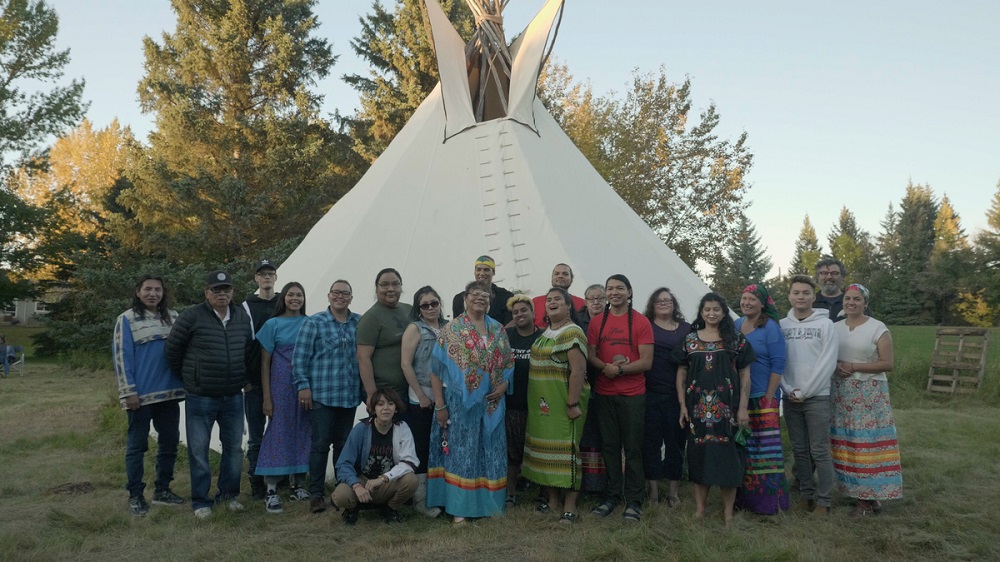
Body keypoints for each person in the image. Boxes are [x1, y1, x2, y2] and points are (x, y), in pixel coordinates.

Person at [165, 270, 252, 519]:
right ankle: (201, 501)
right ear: (206, 293)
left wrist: (245, 378)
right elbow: (172, 350)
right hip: (201, 396)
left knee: (234, 449)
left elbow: (247, 351)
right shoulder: (192, 316)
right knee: (198, 449)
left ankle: (228, 495)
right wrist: (190, 377)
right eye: (216, 289)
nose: (222, 294)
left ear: (232, 292)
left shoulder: (241, 317)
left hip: (233, 396)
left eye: (226, 289)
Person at [428, 280, 514, 524]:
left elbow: (508, 365)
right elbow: (436, 370)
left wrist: (504, 386)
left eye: (485, 294)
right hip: (460, 405)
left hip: (493, 404)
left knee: (491, 453)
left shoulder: (498, 330)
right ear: (465, 299)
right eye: (475, 293)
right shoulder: (451, 330)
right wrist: (440, 405)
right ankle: (459, 510)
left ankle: (490, 506)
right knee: (463, 454)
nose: (480, 297)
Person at [675, 293, 754, 525]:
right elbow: (681, 373)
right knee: (699, 457)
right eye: (707, 309)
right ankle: (700, 510)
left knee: (729, 460)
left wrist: (743, 408)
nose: (711, 313)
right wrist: (682, 406)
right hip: (697, 411)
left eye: (716, 309)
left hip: (727, 412)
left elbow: (745, 374)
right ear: (701, 312)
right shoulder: (689, 340)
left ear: (723, 312)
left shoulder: (735, 339)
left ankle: (728, 513)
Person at [113, 274, 185, 516]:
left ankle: (163, 490)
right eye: (148, 289)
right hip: (140, 398)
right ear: (138, 292)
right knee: (137, 447)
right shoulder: (126, 319)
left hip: (170, 394)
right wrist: (128, 392)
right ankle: (135, 495)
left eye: (157, 290)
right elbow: (122, 357)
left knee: (169, 444)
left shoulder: (173, 318)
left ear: (163, 293)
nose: (153, 293)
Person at [831, 284, 903, 517]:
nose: (851, 302)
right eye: (848, 298)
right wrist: (836, 367)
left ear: (865, 303)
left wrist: (853, 366)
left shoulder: (877, 328)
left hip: (869, 393)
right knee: (848, 442)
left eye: (857, 299)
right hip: (842, 392)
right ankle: (865, 495)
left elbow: (887, 363)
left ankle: (867, 498)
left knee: (868, 445)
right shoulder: (834, 328)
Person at [587, 274, 654, 522]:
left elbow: (647, 361)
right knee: (610, 447)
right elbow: (590, 354)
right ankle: (612, 495)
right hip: (604, 393)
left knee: (633, 448)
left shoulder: (640, 322)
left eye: (619, 288)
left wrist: (621, 370)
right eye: (610, 288)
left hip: (632, 395)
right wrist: (604, 367)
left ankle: (635, 500)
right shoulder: (596, 323)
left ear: (629, 291)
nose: (614, 292)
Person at [292, 279, 363, 513]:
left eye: (345, 293)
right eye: (336, 292)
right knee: (320, 444)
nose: (340, 296)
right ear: (329, 295)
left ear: (351, 298)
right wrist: (303, 386)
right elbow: (300, 358)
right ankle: (316, 493)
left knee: (343, 445)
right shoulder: (314, 323)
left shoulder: (359, 322)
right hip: (322, 395)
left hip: (349, 395)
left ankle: (340, 492)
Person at [522, 288, 589, 523]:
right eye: (548, 300)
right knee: (546, 453)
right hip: (542, 408)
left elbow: (579, 370)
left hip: (563, 405)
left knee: (567, 453)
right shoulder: (548, 332)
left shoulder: (573, 332)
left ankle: (570, 506)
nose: (551, 302)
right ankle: (552, 501)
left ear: (568, 305)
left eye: (557, 299)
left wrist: (572, 403)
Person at [780, 274, 839, 516]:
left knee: (819, 451)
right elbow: (778, 362)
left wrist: (806, 391)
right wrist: (787, 389)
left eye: (806, 293)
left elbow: (827, 362)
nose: (801, 297)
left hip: (817, 397)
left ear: (814, 297)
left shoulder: (826, 325)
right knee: (799, 450)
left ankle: (824, 501)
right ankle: (806, 495)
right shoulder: (782, 326)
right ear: (790, 296)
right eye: (796, 293)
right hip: (790, 396)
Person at [733, 283, 790, 515]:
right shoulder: (736, 325)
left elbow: (778, 365)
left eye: (752, 299)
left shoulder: (770, 328)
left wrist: (769, 397)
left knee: (765, 453)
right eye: (744, 298)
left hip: (763, 398)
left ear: (762, 303)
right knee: (743, 450)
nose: (747, 303)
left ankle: (768, 504)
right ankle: (743, 500)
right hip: (740, 399)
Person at [255, 282, 310, 514]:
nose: (295, 298)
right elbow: (264, 363)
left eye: (299, 295)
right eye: (291, 294)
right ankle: (271, 488)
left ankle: (297, 483)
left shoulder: (310, 323)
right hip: (279, 386)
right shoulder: (272, 324)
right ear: (283, 298)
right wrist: (267, 396)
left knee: (303, 430)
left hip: (305, 386)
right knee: (278, 431)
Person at [331, 388, 419, 525]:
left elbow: (409, 462)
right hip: (362, 480)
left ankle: (390, 509)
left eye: (390, 404)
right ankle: (352, 509)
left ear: (396, 408)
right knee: (340, 495)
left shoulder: (402, 428)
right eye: (380, 404)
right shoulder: (361, 429)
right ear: (373, 409)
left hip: (386, 483)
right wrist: (356, 486)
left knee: (411, 480)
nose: (385, 408)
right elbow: (343, 463)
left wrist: (383, 478)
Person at [400, 286, 448, 517]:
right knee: (422, 446)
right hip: (421, 394)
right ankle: (421, 499)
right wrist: (420, 395)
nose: (430, 308)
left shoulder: (449, 327)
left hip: (446, 394)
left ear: (440, 304)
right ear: (418, 309)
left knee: (443, 446)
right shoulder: (414, 329)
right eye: (425, 305)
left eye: (434, 303)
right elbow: (406, 364)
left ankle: (442, 494)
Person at [641, 287, 691, 507]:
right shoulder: (645, 327)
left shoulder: (687, 329)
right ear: (652, 305)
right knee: (650, 443)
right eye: (659, 301)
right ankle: (652, 492)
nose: (663, 303)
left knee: (676, 443)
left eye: (667, 300)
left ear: (674, 304)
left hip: (677, 396)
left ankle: (673, 492)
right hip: (649, 393)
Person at [241, 259, 281, 500]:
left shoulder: (283, 303)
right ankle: (256, 482)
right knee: (256, 436)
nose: (266, 277)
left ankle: (279, 479)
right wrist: (245, 378)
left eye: (270, 273)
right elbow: (241, 344)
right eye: (262, 274)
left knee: (278, 432)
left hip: (280, 380)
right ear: (256, 278)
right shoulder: (246, 306)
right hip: (255, 380)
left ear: (276, 277)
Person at [503, 294, 542, 506]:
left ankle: (542, 492)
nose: (519, 314)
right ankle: (510, 492)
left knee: (538, 450)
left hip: (538, 406)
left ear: (533, 313)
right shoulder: (506, 335)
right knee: (512, 452)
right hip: (512, 404)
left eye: (524, 310)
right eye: (515, 312)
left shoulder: (543, 337)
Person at [358, 268, 413, 403]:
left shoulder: (410, 310)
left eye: (395, 284)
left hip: (411, 390)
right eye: (384, 285)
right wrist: (372, 394)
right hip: (386, 394)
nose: (390, 289)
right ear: (376, 289)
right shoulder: (371, 318)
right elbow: (363, 358)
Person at [577, 284, 607, 493]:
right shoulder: (578, 324)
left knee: (607, 436)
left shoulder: (614, 321)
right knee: (587, 437)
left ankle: (608, 484)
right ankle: (588, 485)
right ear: (585, 301)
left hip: (610, 385)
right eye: (591, 298)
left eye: (600, 298)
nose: (596, 302)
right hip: (586, 387)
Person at [451, 255, 514, 325]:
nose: (482, 273)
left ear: (493, 272)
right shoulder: (459, 299)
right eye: (478, 269)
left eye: (486, 270)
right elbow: (456, 326)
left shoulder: (506, 297)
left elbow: (509, 327)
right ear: (474, 272)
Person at [531, 264, 586, 328]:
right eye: (557, 274)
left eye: (565, 274)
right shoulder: (535, 302)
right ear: (552, 277)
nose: (560, 276)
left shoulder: (582, 303)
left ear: (571, 279)